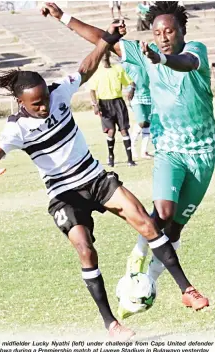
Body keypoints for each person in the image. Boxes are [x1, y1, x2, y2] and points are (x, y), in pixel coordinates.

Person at [0, 21, 207, 340]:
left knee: (146, 222)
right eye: (36, 104)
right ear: (22, 103)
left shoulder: (59, 93)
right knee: (85, 249)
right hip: (64, 195)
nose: (45, 106)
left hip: (95, 178)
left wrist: (108, 40)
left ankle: (186, 289)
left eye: (45, 99)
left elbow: (86, 67)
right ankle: (111, 323)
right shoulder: (15, 128)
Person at [42, 1, 215, 310]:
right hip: (169, 150)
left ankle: (148, 279)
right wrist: (63, 17)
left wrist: (161, 58)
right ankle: (137, 258)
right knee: (162, 211)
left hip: (203, 154)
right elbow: (101, 38)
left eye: (169, 31)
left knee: (175, 227)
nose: (163, 36)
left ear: (182, 31)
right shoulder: (141, 52)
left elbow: (185, 62)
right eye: (157, 32)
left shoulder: (196, 50)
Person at [89, 50, 136, 167]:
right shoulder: (97, 72)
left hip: (118, 102)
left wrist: (131, 90)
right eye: (102, 53)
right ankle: (111, 158)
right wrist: (95, 105)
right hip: (104, 104)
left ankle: (130, 159)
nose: (104, 55)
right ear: (100, 56)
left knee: (124, 130)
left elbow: (131, 82)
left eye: (106, 53)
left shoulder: (118, 69)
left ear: (109, 55)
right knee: (111, 131)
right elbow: (92, 90)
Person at [123, 62, 152, 159]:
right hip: (135, 95)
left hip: (148, 94)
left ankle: (144, 151)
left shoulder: (147, 61)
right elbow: (126, 78)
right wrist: (131, 88)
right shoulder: (127, 63)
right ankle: (131, 147)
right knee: (142, 122)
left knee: (147, 123)